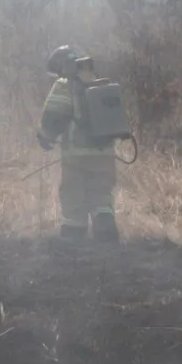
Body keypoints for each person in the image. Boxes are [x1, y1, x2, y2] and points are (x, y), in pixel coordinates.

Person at [36, 45, 119, 242]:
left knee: (73, 194)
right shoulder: (98, 82)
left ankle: (74, 237)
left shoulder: (65, 84)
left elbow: (53, 116)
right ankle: (106, 233)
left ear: (62, 66)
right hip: (105, 153)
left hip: (76, 156)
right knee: (101, 195)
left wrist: (45, 137)